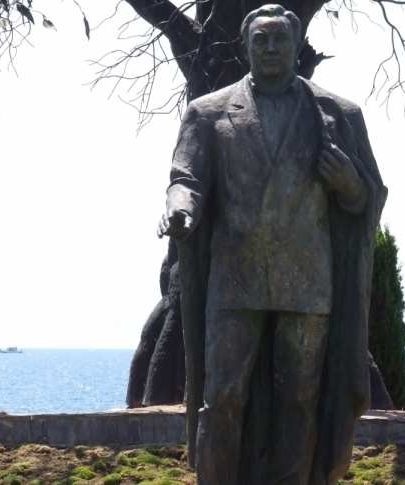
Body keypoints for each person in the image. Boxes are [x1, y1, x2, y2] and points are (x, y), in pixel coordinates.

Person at [158, 5, 387, 485]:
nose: (269, 49)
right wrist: (180, 209)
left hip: (307, 282)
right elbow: (186, 179)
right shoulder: (209, 112)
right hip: (235, 279)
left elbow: (368, 198)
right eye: (260, 40)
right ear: (245, 46)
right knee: (221, 396)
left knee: (299, 402)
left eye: (279, 40)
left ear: (297, 45)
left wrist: (350, 186)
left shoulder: (338, 114)